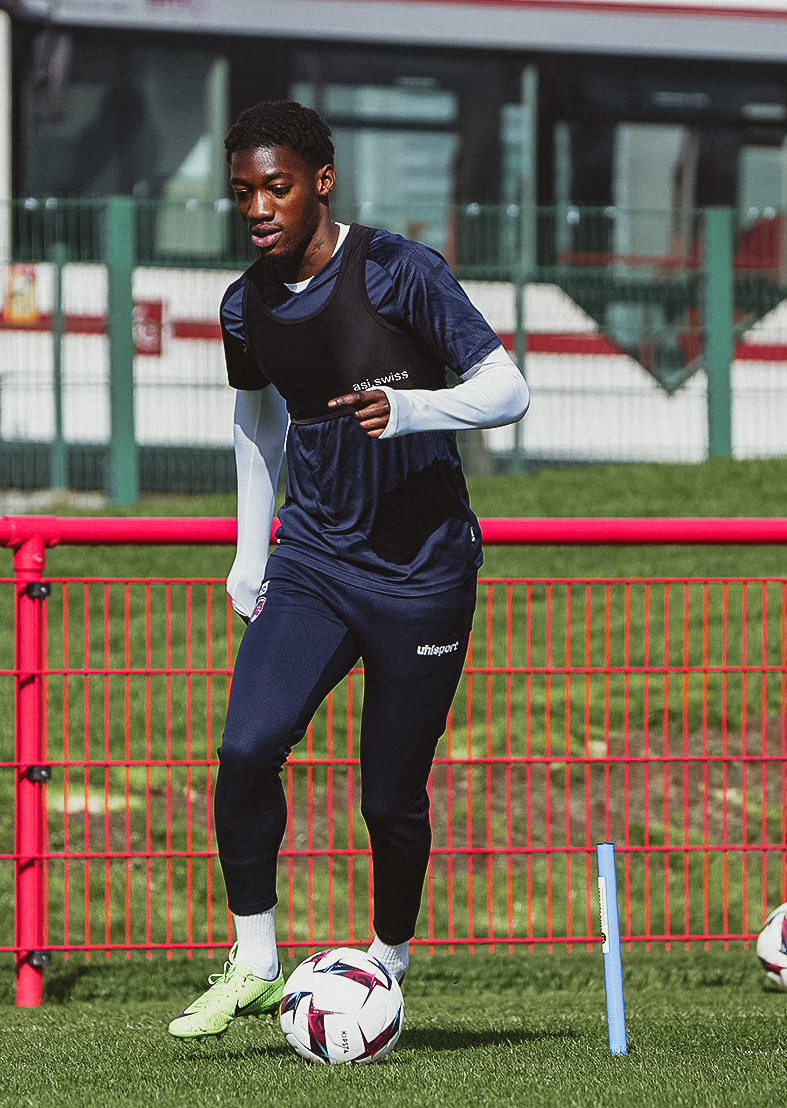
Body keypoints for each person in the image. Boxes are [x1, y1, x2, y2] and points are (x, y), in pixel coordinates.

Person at [168, 102, 530, 1039]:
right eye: (243, 190)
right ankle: (254, 960)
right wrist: (252, 555)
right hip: (315, 562)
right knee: (247, 751)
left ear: (321, 181)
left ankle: (387, 965)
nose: (257, 206)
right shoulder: (244, 305)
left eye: (276, 186)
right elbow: (256, 423)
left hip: (424, 575)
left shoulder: (397, 270)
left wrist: (412, 413)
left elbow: (507, 388)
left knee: (388, 796)